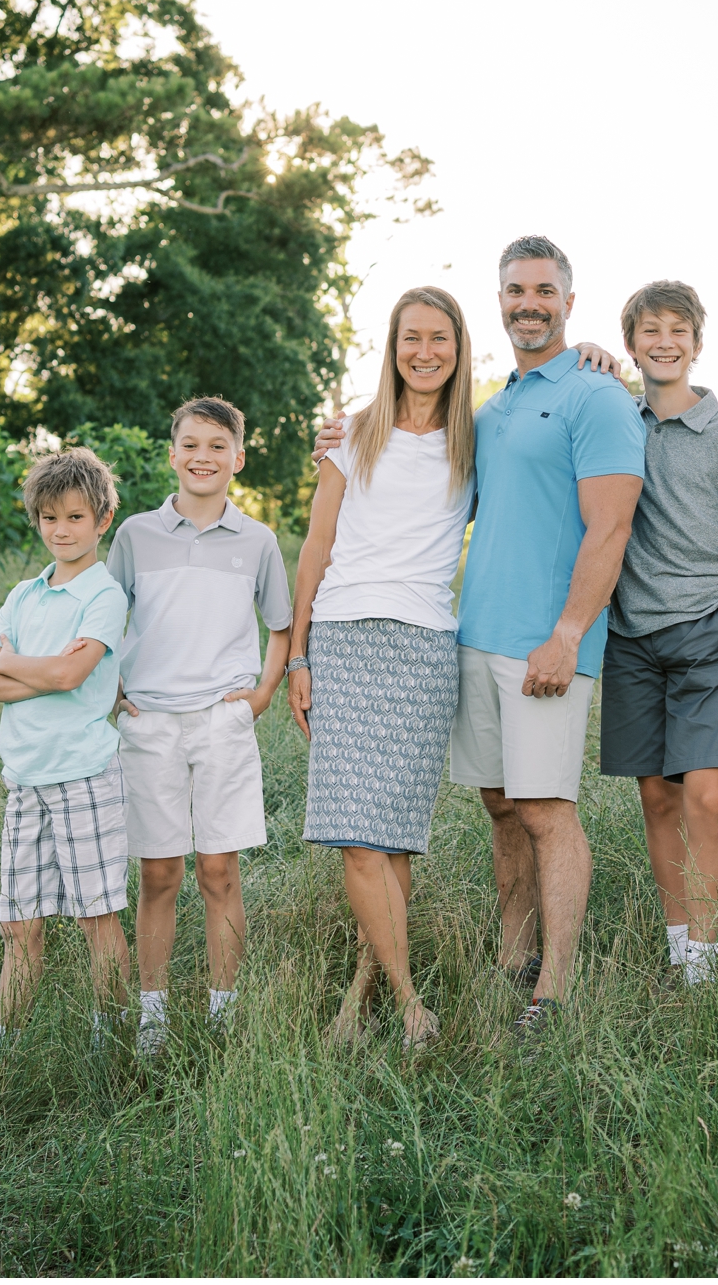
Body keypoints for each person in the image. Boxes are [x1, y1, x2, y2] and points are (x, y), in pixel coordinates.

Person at [314, 236, 644, 1038]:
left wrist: (568, 634)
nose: (527, 302)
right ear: (498, 303)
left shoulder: (597, 397)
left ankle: (554, 992)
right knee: (501, 807)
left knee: (547, 810)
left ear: (568, 299)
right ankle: (511, 960)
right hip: (470, 640)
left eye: (543, 289)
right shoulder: (487, 414)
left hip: (546, 644)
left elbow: (613, 526)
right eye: (514, 290)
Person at [288, 287, 477, 1053]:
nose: (424, 352)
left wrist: (597, 358)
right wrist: (298, 651)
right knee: (356, 838)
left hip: (425, 646)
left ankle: (360, 998)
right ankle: (408, 1005)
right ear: (392, 346)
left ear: (459, 350)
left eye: (439, 338)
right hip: (343, 638)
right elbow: (315, 546)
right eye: (410, 338)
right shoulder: (354, 434)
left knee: (391, 840)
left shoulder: (476, 442)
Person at [600, 280, 718, 988]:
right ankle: (678, 951)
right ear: (632, 344)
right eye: (650, 330)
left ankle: (705, 962)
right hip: (632, 640)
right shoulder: (618, 421)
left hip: (703, 636)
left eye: (678, 330)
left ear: (697, 344)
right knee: (656, 797)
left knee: (707, 794)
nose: (664, 341)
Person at [105, 396, 292, 1057]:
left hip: (221, 722)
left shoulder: (258, 541)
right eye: (190, 444)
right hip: (150, 723)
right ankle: (151, 1016)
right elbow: (104, 617)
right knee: (159, 874)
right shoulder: (135, 535)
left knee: (219, 870)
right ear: (173, 453)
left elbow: (281, 625)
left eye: (217, 446)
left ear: (238, 459)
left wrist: (263, 692)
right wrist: (117, 689)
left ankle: (222, 1014)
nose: (203, 457)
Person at [0, 447, 132, 1070]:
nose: (61, 530)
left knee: (97, 918)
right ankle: (1, 1048)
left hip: (84, 774)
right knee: (21, 928)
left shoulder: (104, 596)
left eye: (75, 517)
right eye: (48, 518)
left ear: (102, 519)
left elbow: (72, 672)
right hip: (26, 778)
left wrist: (11, 662)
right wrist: (36, 671)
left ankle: (109, 1041)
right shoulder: (23, 596)